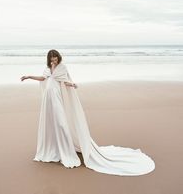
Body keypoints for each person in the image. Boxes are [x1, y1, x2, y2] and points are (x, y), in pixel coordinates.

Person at [20, 49, 155, 176]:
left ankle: (66, 151)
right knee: (50, 124)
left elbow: (65, 81)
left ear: (58, 57)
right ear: (49, 58)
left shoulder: (62, 67)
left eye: (55, 57)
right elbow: (43, 78)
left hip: (56, 98)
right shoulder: (48, 68)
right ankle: (53, 149)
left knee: (61, 123)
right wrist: (29, 76)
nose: (53, 59)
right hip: (47, 100)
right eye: (51, 57)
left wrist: (72, 84)